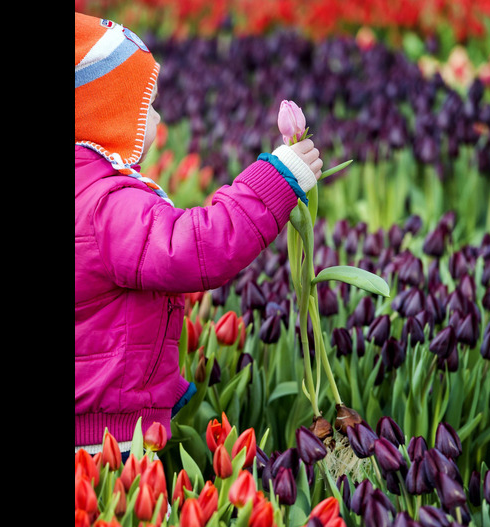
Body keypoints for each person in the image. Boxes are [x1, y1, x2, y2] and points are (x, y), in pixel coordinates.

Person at [75, 12, 323, 453]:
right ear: (108, 120)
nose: (157, 114)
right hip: (108, 436)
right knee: (134, 521)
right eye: (145, 105)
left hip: (99, 410)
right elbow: (190, 249)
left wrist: (162, 389)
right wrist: (277, 180)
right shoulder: (107, 205)